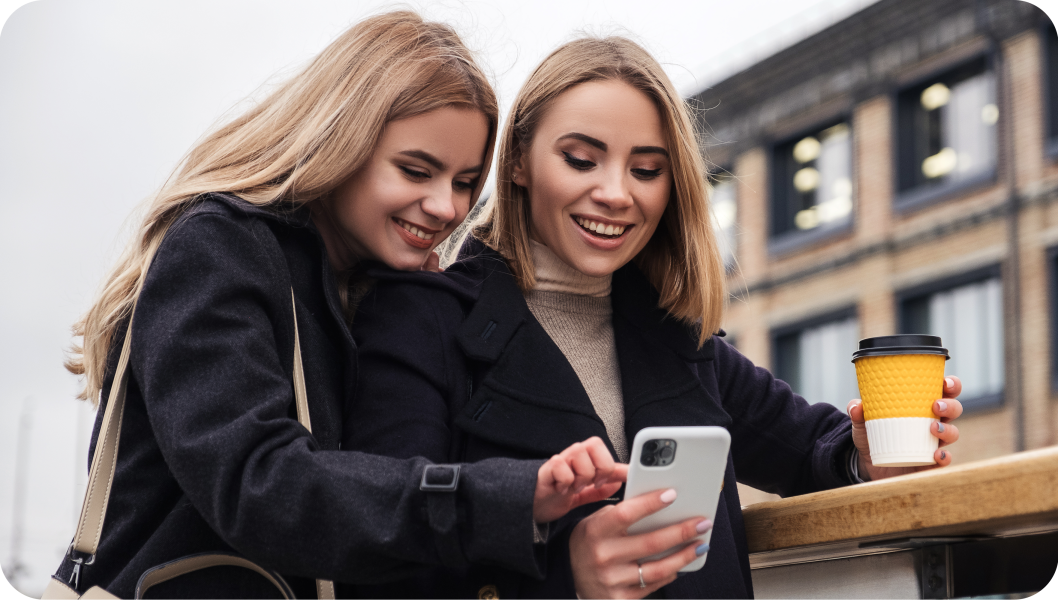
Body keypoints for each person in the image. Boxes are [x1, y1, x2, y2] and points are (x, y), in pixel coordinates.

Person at [345, 36, 965, 599]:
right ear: (518, 164)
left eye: (646, 169)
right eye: (581, 160)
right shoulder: (421, 321)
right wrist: (567, 580)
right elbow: (384, 558)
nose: (617, 193)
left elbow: (808, 448)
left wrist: (863, 454)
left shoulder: (677, 334)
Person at [55, 13, 624, 599]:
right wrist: (500, 499)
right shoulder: (221, 247)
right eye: (416, 170)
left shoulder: (368, 286)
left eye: (463, 183)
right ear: (341, 138)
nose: (444, 207)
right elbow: (260, 484)